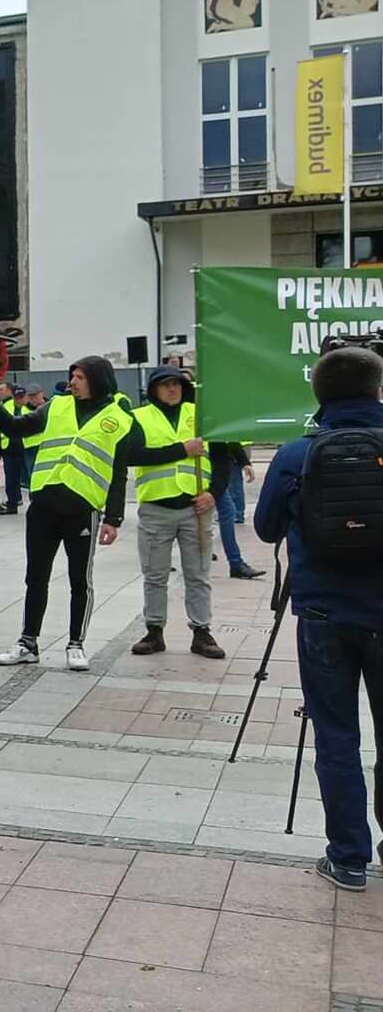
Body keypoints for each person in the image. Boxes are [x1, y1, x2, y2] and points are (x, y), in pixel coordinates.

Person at [254, 346, 383, 892]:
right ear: (378, 389)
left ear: (318, 392)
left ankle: (349, 857)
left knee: (335, 737)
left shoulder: (295, 454)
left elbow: (264, 529)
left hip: (324, 614)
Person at [0, 356, 134, 671]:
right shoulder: (55, 406)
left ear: (97, 379)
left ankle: (76, 643)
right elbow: (14, 427)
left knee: (80, 580)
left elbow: (119, 472)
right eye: (73, 376)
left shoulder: (118, 418)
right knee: (35, 578)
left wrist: (113, 518)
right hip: (44, 506)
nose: (73, 382)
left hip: (82, 510)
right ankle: (28, 642)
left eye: (80, 377)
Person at [126, 367, 228, 660]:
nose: (172, 389)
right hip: (157, 507)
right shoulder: (140, 416)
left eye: (177, 384)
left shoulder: (200, 414)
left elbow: (222, 459)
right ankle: (154, 631)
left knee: (198, 574)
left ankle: (201, 632)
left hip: (196, 507)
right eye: (165, 385)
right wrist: (182, 449)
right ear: (154, 390)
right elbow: (133, 455)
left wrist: (214, 494)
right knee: (155, 575)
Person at [214, 441, 265, 579]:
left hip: (215, 472)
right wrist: (244, 462)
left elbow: (230, 439)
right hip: (209, 471)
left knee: (226, 512)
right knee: (225, 512)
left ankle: (235, 563)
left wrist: (245, 462)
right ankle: (235, 563)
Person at [0, 384, 26, 515]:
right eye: (17, 397)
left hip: (26, 446)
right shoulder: (5, 406)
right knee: (10, 478)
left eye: (21, 397)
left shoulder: (28, 408)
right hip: (8, 446)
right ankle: (12, 504)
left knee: (30, 477)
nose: (18, 399)